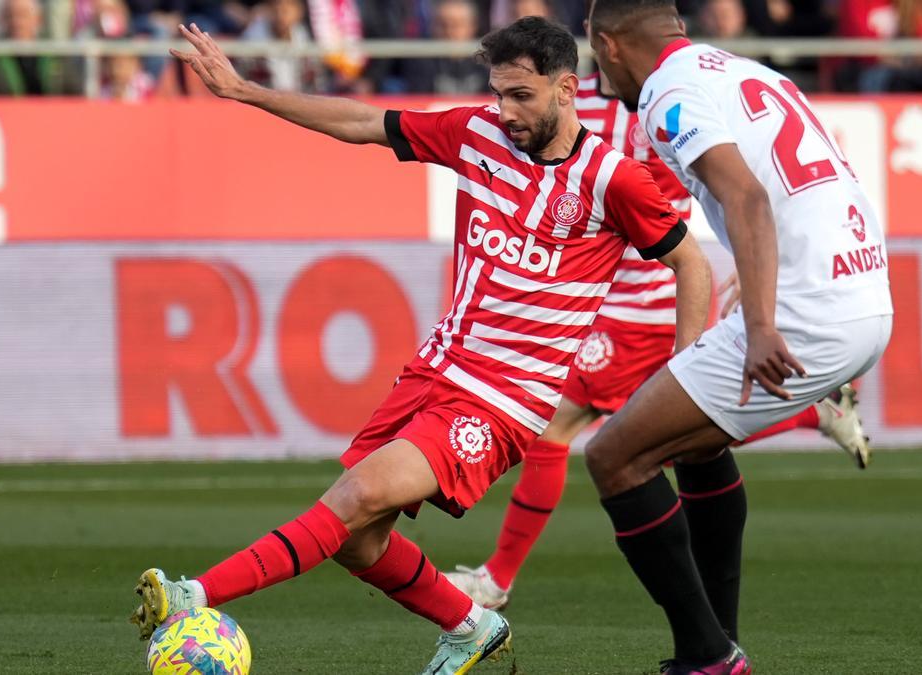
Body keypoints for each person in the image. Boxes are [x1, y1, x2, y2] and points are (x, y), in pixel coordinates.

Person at [136, 15, 712, 675]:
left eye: (521, 95)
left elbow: (690, 264)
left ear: (567, 89)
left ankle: (192, 595)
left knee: (350, 499)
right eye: (498, 92)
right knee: (356, 540)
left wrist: (682, 381)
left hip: (502, 401)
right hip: (433, 371)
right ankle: (472, 626)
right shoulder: (476, 134)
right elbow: (361, 122)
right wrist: (245, 91)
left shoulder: (613, 181)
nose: (506, 110)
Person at [444, 63, 875, 611]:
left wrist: (761, 259)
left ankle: (496, 580)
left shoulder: (660, 108)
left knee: (560, 430)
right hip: (614, 301)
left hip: (645, 305)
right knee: (669, 440)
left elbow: (749, 183)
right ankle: (815, 414)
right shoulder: (621, 106)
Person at [585, 1, 893, 672]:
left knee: (614, 456)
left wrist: (760, 321)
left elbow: (747, 197)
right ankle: (716, 645)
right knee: (696, 445)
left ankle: (706, 654)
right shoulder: (742, 70)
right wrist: (768, 283)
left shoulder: (668, 90)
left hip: (808, 308)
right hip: (865, 292)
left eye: (594, 55)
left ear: (608, 45)